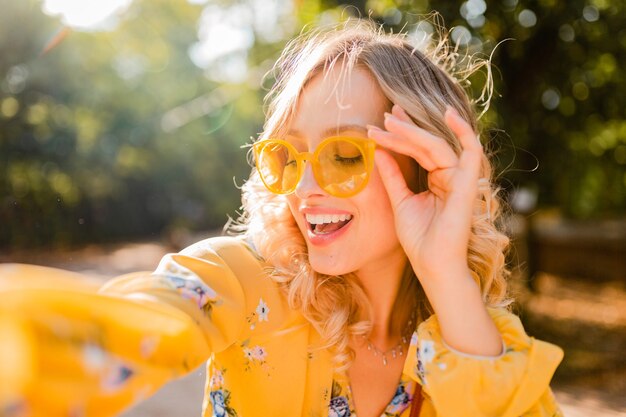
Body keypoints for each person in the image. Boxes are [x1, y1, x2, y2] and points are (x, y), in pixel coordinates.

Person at [0, 18, 563, 417]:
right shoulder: (241, 280)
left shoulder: (481, 339)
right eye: (288, 158)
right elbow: (141, 321)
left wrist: (444, 272)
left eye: (344, 155)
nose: (306, 188)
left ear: (426, 171)